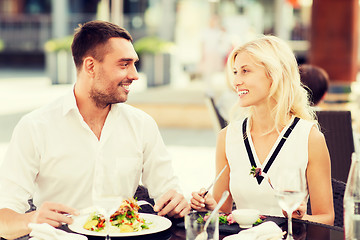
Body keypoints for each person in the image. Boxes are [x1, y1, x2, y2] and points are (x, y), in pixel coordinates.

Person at [0, 20, 190, 239]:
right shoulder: (34, 127)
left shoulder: (142, 124)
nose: (135, 75)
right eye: (124, 64)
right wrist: (31, 219)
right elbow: (4, 221)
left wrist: (176, 202)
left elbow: (168, 193)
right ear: (90, 66)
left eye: (134, 64)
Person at [190, 35, 334, 225]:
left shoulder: (309, 138)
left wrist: (301, 218)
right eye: (235, 72)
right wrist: (209, 205)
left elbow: (327, 218)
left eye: (245, 71)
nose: (236, 82)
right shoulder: (227, 137)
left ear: (274, 74)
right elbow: (223, 211)